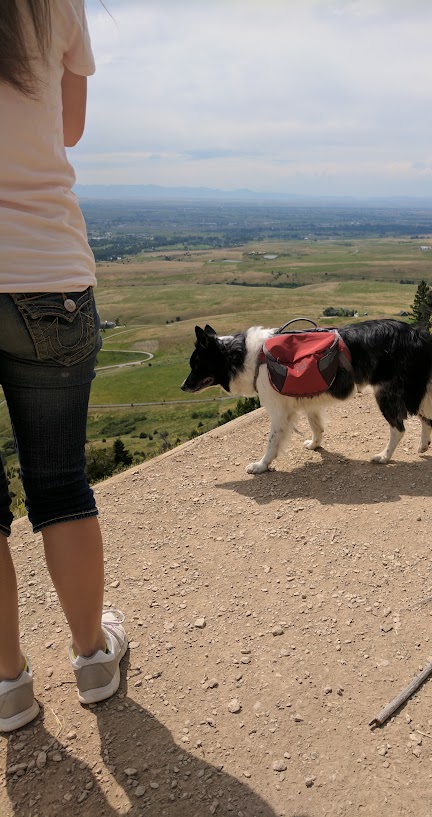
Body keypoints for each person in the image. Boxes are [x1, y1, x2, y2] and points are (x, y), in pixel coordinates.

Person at [0, 0, 127, 732]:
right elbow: (67, 126)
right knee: (59, 481)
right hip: (45, 269)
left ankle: (8, 683)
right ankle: (91, 658)